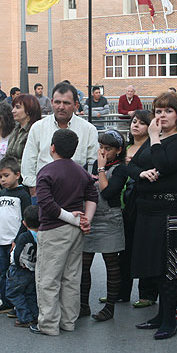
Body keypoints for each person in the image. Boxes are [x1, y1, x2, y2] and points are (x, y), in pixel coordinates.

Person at [127, 92, 177, 340]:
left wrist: (154, 137)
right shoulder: (152, 140)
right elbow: (131, 165)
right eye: (158, 111)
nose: (162, 115)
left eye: (168, 111)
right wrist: (143, 174)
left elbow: (165, 164)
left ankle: (169, 321)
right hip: (148, 211)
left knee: (169, 269)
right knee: (154, 268)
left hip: (171, 211)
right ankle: (160, 315)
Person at [30, 129, 98, 336]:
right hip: (76, 231)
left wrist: (71, 217)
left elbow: (45, 203)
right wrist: (84, 220)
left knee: (48, 278)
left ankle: (49, 325)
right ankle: (68, 321)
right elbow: (92, 195)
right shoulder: (81, 171)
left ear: (52, 148)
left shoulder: (46, 172)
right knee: (71, 277)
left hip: (53, 229)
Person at [21, 81, 98, 203]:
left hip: (75, 195)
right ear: (51, 102)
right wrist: (34, 190)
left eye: (66, 103)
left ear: (76, 105)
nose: (61, 107)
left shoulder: (88, 130)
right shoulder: (38, 127)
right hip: (43, 193)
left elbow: (92, 164)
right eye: (57, 102)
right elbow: (29, 160)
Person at [80, 129, 127, 322]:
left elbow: (107, 192)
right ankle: (83, 305)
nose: (103, 152)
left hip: (110, 218)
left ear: (118, 150)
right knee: (84, 264)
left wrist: (101, 169)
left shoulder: (121, 169)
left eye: (108, 148)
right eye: (101, 147)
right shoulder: (90, 165)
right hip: (91, 217)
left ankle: (110, 307)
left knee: (111, 262)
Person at [119, 109, 158, 308]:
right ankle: (121, 290)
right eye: (134, 121)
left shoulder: (153, 148)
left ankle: (148, 293)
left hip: (143, 202)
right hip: (122, 204)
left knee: (145, 248)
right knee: (123, 249)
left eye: (141, 123)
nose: (135, 125)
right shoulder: (123, 147)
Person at [0, 156, 31, 316]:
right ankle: (5, 301)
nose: (2, 179)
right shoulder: (0, 194)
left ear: (17, 174)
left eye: (6, 175)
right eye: (0, 176)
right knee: (2, 272)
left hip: (15, 242)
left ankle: (18, 304)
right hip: (1, 240)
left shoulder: (22, 194)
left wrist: (18, 240)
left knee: (15, 275)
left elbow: (25, 219)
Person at [5, 204, 40, 327]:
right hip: (33, 269)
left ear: (24, 223)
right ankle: (35, 315)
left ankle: (25, 317)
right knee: (30, 294)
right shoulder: (42, 236)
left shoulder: (24, 237)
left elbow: (17, 253)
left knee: (13, 293)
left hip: (19, 270)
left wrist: (18, 264)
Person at [5, 93, 41, 165]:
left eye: (18, 107)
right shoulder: (15, 129)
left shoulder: (35, 131)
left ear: (29, 110)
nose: (13, 111)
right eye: (13, 107)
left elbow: (31, 160)